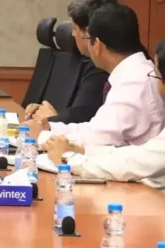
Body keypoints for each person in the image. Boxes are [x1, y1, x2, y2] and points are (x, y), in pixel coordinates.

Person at [29, 3, 165, 147]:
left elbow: (99, 139)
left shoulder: (134, 82)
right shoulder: (134, 72)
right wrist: (50, 128)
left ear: (97, 45)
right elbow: (95, 128)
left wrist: (42, 136)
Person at [43, 38, 165, 191]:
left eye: (156, 75)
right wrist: (84, 151)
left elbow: (134, 164)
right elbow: (138, 153)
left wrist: (68, 158)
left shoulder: (134, 80)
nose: (155, 82)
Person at [24, 0, 114, 123]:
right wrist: (43, 112)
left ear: (88, 33)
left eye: (74, 28)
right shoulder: (94, 63)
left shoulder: (102, 68)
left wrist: (54, 119)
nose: (72, 34)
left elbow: (81, 118)